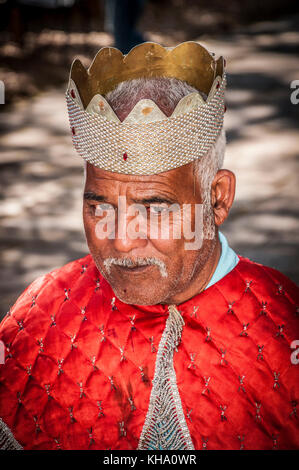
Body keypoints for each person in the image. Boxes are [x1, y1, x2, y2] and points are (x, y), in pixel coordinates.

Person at [0, 41, 298, 450]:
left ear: (218, 198)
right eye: (99, 205)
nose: (120, 241)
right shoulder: (40, 315)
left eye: (155, 207)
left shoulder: (284, 329)